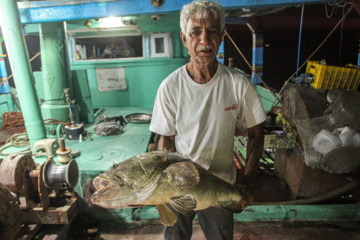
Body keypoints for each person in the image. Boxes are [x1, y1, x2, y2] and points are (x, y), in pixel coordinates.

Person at [149, 1, 267, 239]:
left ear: (221, 37)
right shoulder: (170, 87)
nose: (204, 39)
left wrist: (247, 179)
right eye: (196, 32)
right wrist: (168, 187)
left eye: (212, 30)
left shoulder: (237, 84)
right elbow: (166, 143)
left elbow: (256, 132)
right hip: (178, 184)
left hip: (220, 184)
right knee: (175, 236)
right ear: (184, 39)